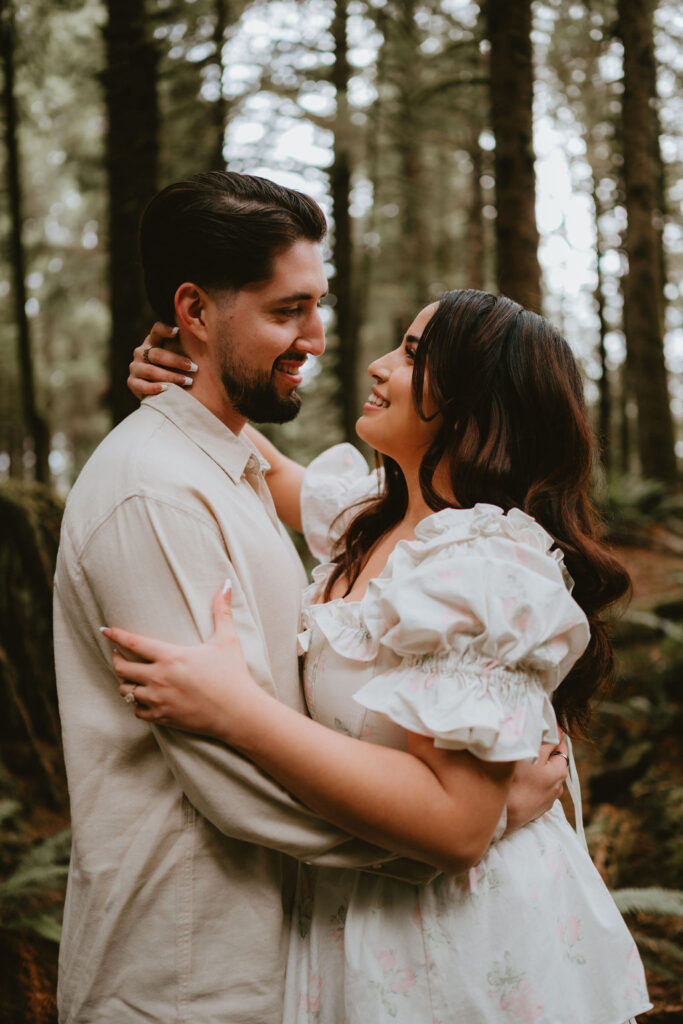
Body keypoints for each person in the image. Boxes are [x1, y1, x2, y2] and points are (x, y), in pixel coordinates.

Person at [54, 173, 561, 1024]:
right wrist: (465, 825)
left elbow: (281, 479)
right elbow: (237, 781)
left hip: (291, 962)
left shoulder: (385, 529)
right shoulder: (159, 494)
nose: (323, 339)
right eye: (288, 310)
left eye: (316, 306)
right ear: (195, 310)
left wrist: (456, 821)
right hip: (186, 978)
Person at [115, 289, 651, 1023]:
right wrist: (189, 371)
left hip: (459, 949)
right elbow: (267, 470)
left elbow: (454, 828)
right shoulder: (376, 517)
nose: (376, 365)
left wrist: (234, 711)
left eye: (411, 355)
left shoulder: (483, 566)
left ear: (477, 403)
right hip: (363, 919)